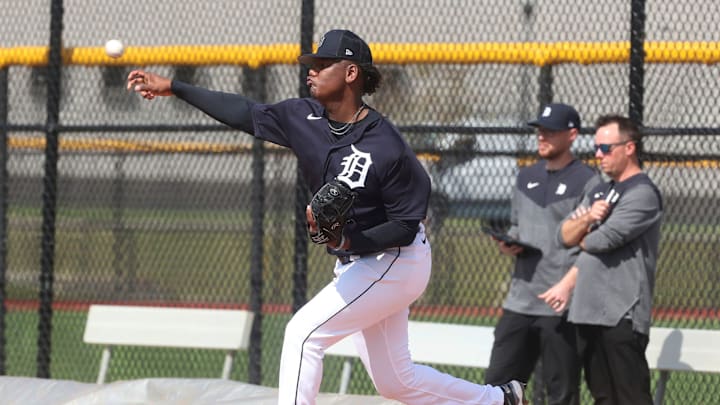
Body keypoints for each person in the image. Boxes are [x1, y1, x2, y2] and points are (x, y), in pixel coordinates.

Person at [126, 29, 525, 405]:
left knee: (303, 334)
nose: (311, 71)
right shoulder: (303, 116)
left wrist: (349, 241)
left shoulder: (387, 145)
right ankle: (499, 399)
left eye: (322, 63)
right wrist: (175, 87)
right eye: (311, 64)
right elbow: (245, 113)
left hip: (397, 260)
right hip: (361, 262)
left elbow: (405, 227)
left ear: (351, 73)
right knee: (395, 380)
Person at [484, 103, 601, 405]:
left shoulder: (588, 180)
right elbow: (516, 225)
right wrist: (508, 242)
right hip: (520, 300)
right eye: (540, 130)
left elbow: (592, 242)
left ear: (572, 135)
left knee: (560, 394)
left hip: (560, 305)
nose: (542, 136)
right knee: (497, 389)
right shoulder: (526, 176)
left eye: (551, 131)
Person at [541, 115, 663, 404]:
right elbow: (564, 235)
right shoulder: (599, 189)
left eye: (606, 149)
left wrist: (585, 228)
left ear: (629, 148)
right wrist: (588, 220)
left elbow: (601, 240)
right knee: (603, 397)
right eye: (596, 148)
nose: (598, 155)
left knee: (631, 397)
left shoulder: (642, 193)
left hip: (622, 312)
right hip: (588, 309)